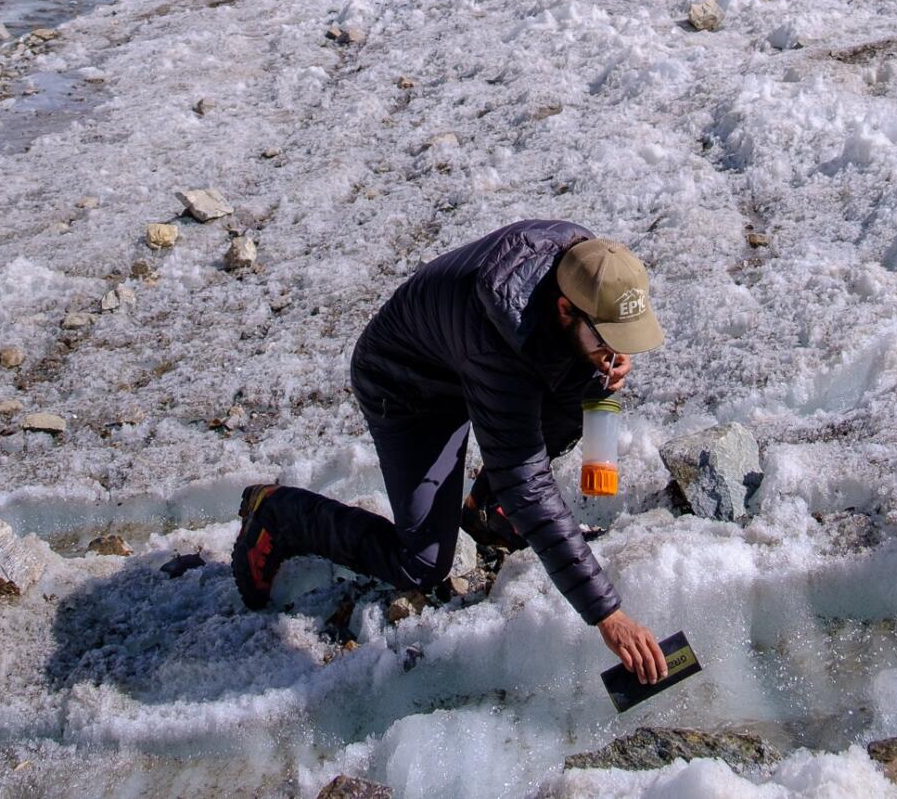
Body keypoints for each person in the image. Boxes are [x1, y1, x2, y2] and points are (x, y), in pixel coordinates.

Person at [232, 222, 670, 685]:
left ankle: (488, 509)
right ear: (565, 310)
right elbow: (527, 479)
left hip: (466, 361)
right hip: (407, 387)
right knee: (422, 562)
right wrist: (608, 614)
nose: (617, 351)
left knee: (580, 385)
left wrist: (609, 354)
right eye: (606, 338)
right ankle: (277, 514)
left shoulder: (591, 267)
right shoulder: (500, 343)